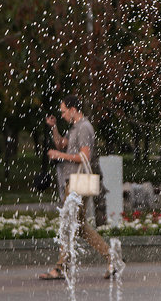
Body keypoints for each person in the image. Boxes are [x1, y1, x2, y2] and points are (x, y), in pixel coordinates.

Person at [39, 94, 114, 280]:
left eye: (64, 112)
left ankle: (60, 268)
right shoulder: (75, 128)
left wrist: (59, 155)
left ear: (73, 110)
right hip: (73, 181)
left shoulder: (84, 128)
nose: (62, 115)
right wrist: (54, 127)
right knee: (78, 226)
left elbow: (84, 157)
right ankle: (112, 258)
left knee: (68, 224)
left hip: (77, 183)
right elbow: (61, 144)